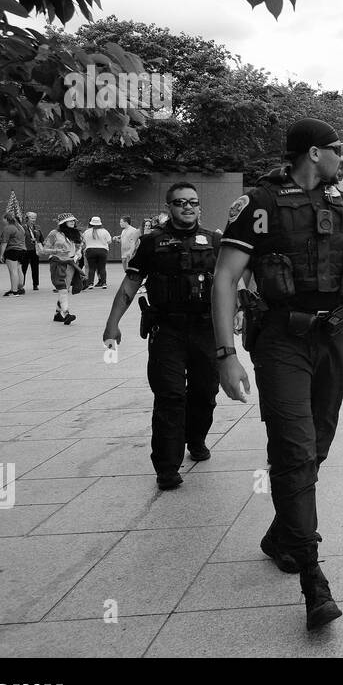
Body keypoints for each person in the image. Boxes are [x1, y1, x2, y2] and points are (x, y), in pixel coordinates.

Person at [212, 118, 343, 632]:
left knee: (317, 443)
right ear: (312, 153)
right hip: (281, 340)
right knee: (294, 449)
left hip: (333, 337)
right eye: (336, 150)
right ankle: (312, 577)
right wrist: (224, 353)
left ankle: (283, 533)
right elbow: (226, 277)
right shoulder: (259, 205)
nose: (342, 157)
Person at [102, 182, 222, 490]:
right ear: (169, 207)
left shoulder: (214, 240)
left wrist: (238, 313)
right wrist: (112, 322)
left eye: (192, 202)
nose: (187, 207)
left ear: (199, 207)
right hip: (167, 329)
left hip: (206, 329)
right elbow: (131, 284)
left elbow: (228, 282)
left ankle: (195, 439)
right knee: (169, 397)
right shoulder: (152, 242)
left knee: (205, 393)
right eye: (180, 202)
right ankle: (167, 467)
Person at [39, 214, 82, 323]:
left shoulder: (75, 233)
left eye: (73, 220)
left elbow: (79, 247)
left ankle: (58, 314)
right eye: (70, 221)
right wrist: (56, 251)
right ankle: (66, 313)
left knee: (65, 289)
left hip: (71, 263)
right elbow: (44, 249)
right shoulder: (54, 233)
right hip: (57, 262)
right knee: (62, 288)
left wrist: (78, 254)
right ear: (63, 222)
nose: (73, 222)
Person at [0, 213, 27, 296]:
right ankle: (20, 287)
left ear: (6, 219)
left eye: (3, 219)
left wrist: (1, 254)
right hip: (22, 250)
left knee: (13, 271)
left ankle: (14, 291)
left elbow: (4, 242)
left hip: (12, 250)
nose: (2, 220)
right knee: (19, 269)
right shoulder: (20, 227)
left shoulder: (8, 228)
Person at [83, 216, 112, 288]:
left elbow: (83, 241)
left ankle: (90, 284)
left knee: (91, 268)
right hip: (102, 251)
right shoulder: (105, 231)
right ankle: (104, 283)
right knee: (102, 267)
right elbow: (109, 241)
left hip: (90, 251)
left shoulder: (87, 231)